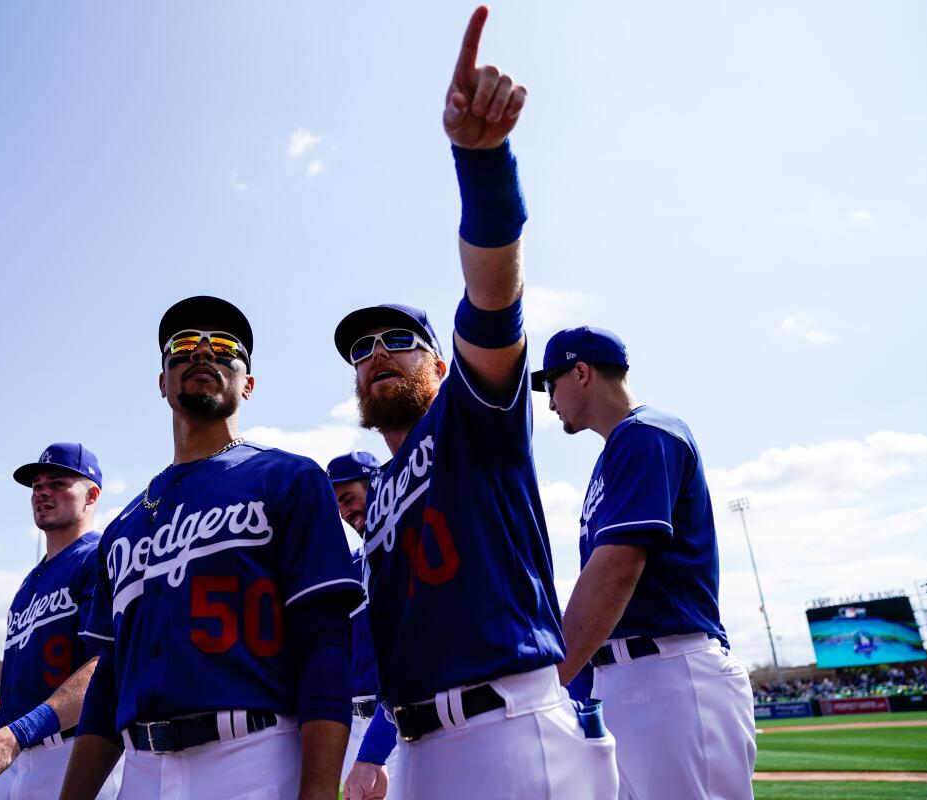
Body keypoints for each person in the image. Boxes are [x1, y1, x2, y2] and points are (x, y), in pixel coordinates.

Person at [329, 8, 620, 798]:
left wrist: (482, 164)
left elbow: (493, 301)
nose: (377, 352)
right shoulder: (378, 498)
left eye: (397, 338)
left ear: (435, 357)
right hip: (417, 745)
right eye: (361, 349)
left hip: (508, 730)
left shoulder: (471, 414)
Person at [58, 295, 363, 800]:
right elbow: (109, 678)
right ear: (162, 383)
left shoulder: (289, 477)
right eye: (182, 347)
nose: (202, 353)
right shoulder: (124, 526)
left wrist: (316, 792)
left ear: (248, 384)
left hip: (253, 755)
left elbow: (324, 641)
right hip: (140, 768)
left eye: (224, 346)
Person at [533, 325, 757, 799]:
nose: (550, 402)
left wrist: (550, 681)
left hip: (672, 676)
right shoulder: (615, 451)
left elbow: (617, 570)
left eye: (552, 385)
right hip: (625, 680)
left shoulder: (648, 433)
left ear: (581, 372)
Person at [0, 443, 121, 800]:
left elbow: (106, 667)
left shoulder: (98, 558)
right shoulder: (28, 583)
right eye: (37, 486)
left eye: (58, 483)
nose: (42, 493)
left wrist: (16, 734)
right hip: (12, 753)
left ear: (92, 495)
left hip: (71, 751)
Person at [325, 452, 405, 800]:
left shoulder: (407, 548)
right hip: (353, 727)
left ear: (377, 485)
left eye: (349, 498)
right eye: (337, 506)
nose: (345, 513)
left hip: (398, 724)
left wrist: (376, 748)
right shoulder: (348, 568)